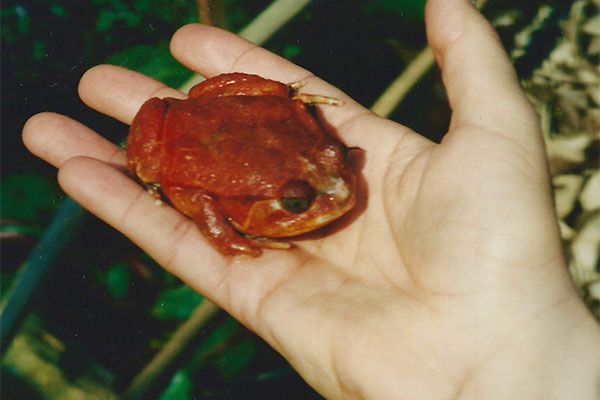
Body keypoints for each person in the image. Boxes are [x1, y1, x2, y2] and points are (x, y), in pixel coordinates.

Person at [23, 0, 598, 398]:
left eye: (341, 164)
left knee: (250, 108)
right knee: (152, 160)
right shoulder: (242, 192)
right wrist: (224, 236)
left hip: (256, 135)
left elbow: (275, 128)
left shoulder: (320, 166)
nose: (341, 190)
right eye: (306, 200)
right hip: (202, 149)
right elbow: (197, 200)